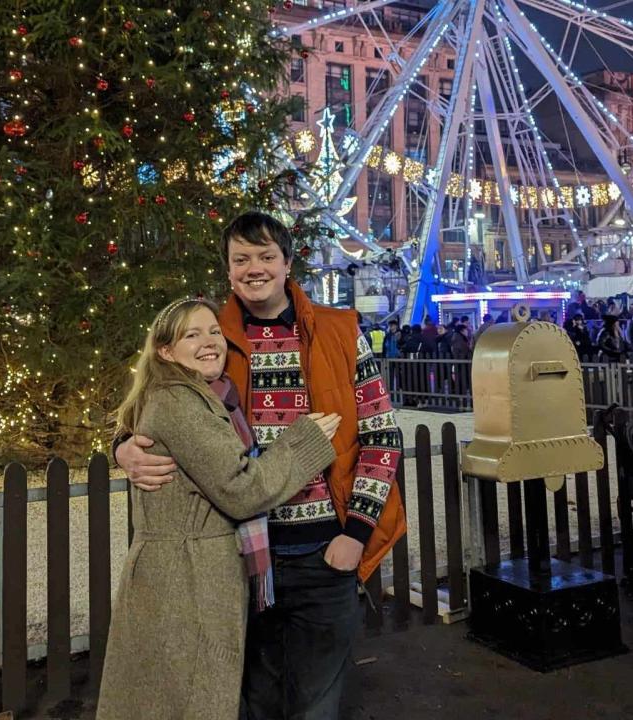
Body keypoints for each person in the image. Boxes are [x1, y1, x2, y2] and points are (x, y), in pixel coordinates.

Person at [115, 211, 406, 720]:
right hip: (241, 560)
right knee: (251, 700)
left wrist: (355, 535)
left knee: (316, 702)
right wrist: (122, 444)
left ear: (287, 263)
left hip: (324, 550)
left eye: (266, 256)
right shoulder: (211, 338)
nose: (254, 268)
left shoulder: (341, 331)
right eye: (241, 259)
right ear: (228, 270)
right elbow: (156, 399)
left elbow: (381, 436)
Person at [97, 298, 340, 720]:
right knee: (193, 696)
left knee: (183, 694)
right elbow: (241, 488)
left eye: (213, 331)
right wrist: (305, 442)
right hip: (187, 579)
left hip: (190, 572)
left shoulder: (211, 394)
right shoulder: (180, 402)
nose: (209, 342)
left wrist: (120, 446)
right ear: (165, 352)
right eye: (192, 335)